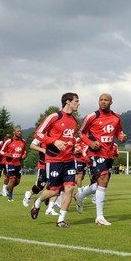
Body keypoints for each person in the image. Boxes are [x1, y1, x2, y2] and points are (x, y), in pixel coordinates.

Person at [30, 92, 80, 228]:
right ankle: (37, 202)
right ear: (68, 102)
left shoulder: (75, 120)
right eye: (76, 101)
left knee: (69, 188)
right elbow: (38, 133)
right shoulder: (54, 117)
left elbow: (70, 138)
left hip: (69, 159)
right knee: (54, 191)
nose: (78, 104)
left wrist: (74, 147)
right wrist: (54, 141)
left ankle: (61, 220)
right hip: (54, 159)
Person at [77, 93, 127, 226]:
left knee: (101, 184)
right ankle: (99, 217)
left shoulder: (116, 117)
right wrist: (90, 143)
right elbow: (81, 132)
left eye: (106, 100)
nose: (103, 102)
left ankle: (80, 196)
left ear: (111, 102)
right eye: (101, 100)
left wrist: (121, 136)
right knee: (103, 180)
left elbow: (118, 132)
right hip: (95, 153)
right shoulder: (91, 117)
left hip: (108, 154)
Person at [22, 138, 60, 216]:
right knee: (39, 186)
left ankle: (50, 208)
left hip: (55, 164)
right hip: (43, 164)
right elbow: (32, 146)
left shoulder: (58, 135)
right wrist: (43, 150)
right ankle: (29, 193)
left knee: (56, 186)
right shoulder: (41, 135)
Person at [0, 126, 27, 202]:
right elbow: (1, 151)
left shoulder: (23, 141)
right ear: (14, 132)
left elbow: (24, 151)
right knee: (12, 179)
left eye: (20, 131)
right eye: (18, 131)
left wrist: (24, 155)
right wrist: (8, 155)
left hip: (18, 163)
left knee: (17, 182)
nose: (19, 132)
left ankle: (8, 188)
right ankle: (10, 196)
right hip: (10, 163)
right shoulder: (9, 141)